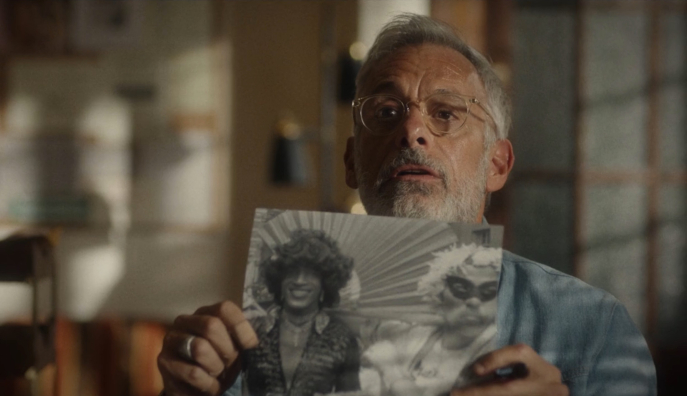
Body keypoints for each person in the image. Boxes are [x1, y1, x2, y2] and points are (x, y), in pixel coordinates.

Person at [157, 13, 656, 396]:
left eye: (445, 113)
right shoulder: (260, 330)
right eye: (387, 111)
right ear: (351, 162)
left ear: (497, 166)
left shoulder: (592, 328)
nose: (411, 131)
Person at [359, 244, 502, 396]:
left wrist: (392, 372)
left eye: (489, 292)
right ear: (439, 293)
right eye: (461, 288)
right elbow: (362, 324)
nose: (473, 301)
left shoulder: (501, 351)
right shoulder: (417, 334)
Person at [243, 229, 360, 396]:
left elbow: (350, 394)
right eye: (292, 272)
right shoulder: (253, 330)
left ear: (325, 285)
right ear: (279, 280)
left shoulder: (343, 338)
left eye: (311, 274)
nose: (299, 280)